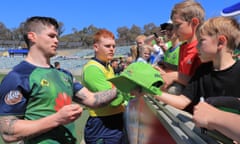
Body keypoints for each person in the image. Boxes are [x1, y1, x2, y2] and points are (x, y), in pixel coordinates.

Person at [0, 16, 120, 144]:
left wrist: (123, 87)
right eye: (51, 36)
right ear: (32, 36)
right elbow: (8, 133)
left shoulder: (64, 75)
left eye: (57, 36)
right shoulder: (18, 76)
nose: (56, 40)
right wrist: (57, 119)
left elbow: (91, 99)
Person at [155, 16, 240, 115]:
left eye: (201, 41)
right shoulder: (202, 70)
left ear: (220, 42)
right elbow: (182, 101)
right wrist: (151, 91)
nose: (196, 46)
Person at [81, 29, 125, 144]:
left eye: (113, 46)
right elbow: (114, 101)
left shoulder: (108, 66)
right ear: (96, 47)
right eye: (107, 46)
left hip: (113, 121)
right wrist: (126, 88)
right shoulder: (93, 69)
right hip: (102, 125)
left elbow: (116, 91)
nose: (112, 49)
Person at [156, 0, 204, 91]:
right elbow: (183, 74)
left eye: (177, 25)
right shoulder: (183, 47)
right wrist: (165, 72)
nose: (174, 30)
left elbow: (203, 83)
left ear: (194, 23)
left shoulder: (203, 48)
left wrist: (175, 76)